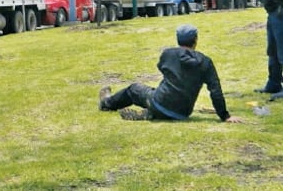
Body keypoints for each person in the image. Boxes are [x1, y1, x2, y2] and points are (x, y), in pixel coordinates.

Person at [98, 24, 243, 123]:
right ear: (195, 40)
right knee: (154, 92)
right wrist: (225, 116)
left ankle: (107, 103)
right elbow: (215, 90)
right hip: (182, 113)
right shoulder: (206, 62)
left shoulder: (168, 54)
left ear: (178, 39)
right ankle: (151, 113)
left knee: (134, 89)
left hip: (159, 103)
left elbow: (161, 67)